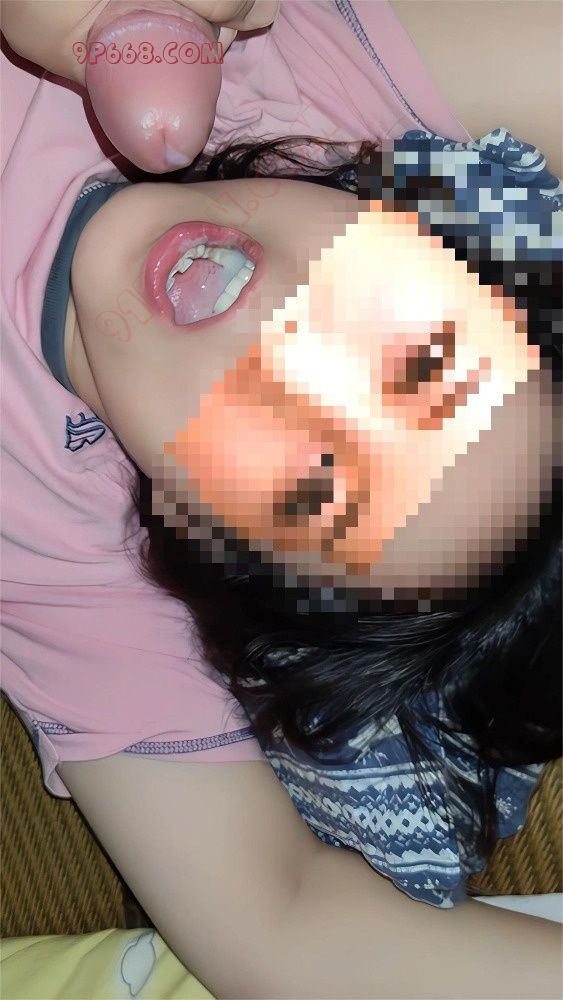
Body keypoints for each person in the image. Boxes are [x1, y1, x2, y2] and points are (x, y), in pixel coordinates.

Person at [1, 2, 561, 997]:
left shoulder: (57, 553)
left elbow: (280, 931)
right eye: (415, 356)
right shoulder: (288, 73)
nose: (290, 351)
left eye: (314, 482)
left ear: (196, 531)